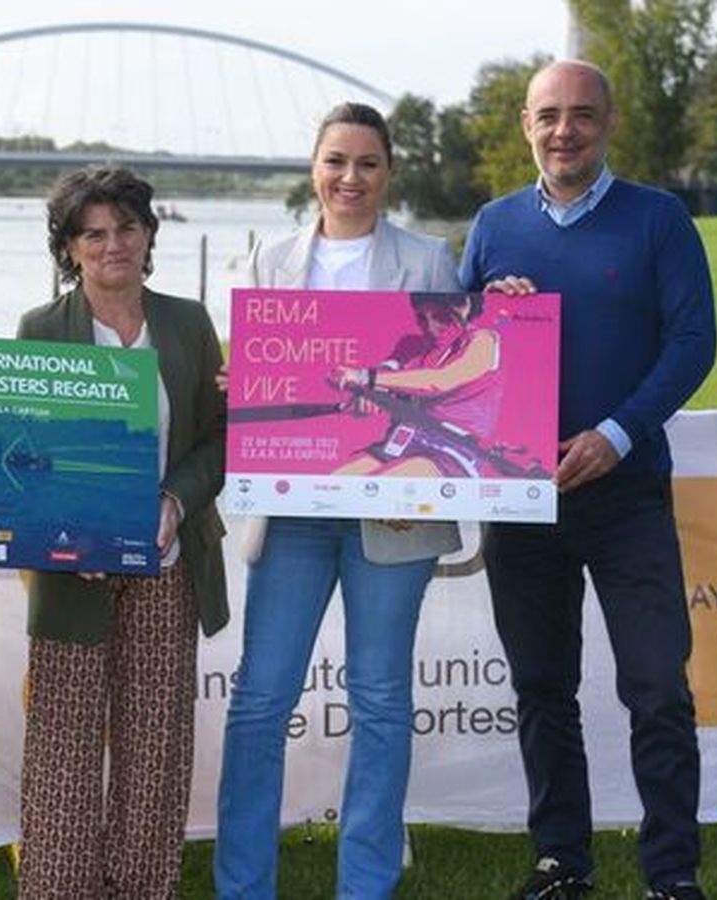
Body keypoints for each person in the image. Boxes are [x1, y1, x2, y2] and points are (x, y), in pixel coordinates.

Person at [458, 60, 716, 900]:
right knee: (542, 687)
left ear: (608, 121)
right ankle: (561, 861)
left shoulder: (659, 220)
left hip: (626, 490)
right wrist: (490, 312)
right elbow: (453, 355)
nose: (563, 130)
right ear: (525, 125)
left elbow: (693, 343)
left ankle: (672, 875)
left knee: (657, 687)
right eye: (548, 116)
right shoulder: (493, 225)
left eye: (581, 115)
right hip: (521, 495)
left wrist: (616, 433)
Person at [215, 102, 462, 900]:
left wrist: (419, 482)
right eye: (335, 161)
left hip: (392, 515)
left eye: (366, 163)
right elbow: (259, 386)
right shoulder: (269, 258)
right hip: (291, 516)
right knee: (260, 700)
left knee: (382, 704)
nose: (349, 178)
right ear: (313, 169)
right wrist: (240, 388)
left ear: (389, 172)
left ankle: (367, 885)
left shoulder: (430, 261)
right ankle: (243, 885)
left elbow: (455, 394)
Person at [14, 166, 228, 899]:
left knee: (155, 749)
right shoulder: (41, 331)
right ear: (69, 248)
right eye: (94, 234)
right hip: (73, 572)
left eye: (127, 228)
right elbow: (28, 451)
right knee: (63, 748)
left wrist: (176, 499)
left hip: (169, 564)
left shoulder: (190, 323)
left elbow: (219, 437)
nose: (114, 246)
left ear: (148, 235)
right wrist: (72, 531)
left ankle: (142, 889)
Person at [330, 292, 503, 478]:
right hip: (402, 441)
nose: (430, 327)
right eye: (422, 318)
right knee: (336, 483)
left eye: (439, 317)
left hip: (451, 450)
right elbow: (382, 379)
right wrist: (366, 396)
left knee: (384, 484)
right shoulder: (409, 345)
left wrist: (365, 377)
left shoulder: (483, 341)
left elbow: (440, 381)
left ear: (463, 308)